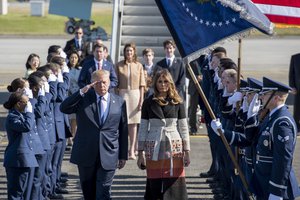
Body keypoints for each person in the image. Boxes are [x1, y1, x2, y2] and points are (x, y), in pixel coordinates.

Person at [60, 70, 128, 200]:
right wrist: (82, 91)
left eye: (104, 82)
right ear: (92, 84)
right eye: (97, 83)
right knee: (89, 193)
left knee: (103, 192)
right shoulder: (83, 99)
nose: (102, 85)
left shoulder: (119, 102)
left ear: (109, 83)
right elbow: (64, 107)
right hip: (86, 154)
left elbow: (123, 129)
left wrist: (123, 155)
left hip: (109, 154)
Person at [137, 69, 190, 200]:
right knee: (154, 180)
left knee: (174, 180)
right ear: (155, 83)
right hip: (153, 145)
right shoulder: (148, 102)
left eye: (165, 81)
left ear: (170, 83)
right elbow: (143, 128)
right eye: (159, 81)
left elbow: (183, 127)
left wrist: (187, 151)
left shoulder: (178, 102)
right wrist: (140, 153)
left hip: (174, 145)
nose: (162, 84)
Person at [3, 91, 38, 200]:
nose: (28, 105)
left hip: (24, 159)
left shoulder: (19, 115)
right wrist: (29, 113)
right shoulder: (12, 117)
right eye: (26, 103)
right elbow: (26, 127)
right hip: (17, 161)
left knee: (22, 192)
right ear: (18, 103)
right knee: (16, 194)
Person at [115, 43, 146, 160]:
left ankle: (132, 150)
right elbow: (115, 83)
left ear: (134, 52)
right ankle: (122, 150)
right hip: (122, 94)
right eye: (127, 51)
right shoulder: (118, 65)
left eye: (131, 51)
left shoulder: (138, 66)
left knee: (133, 124)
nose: (129, 53)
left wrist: (141, 100)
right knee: (123, 123)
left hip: (135, 94)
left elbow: (142, 84)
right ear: (124, 52)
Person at [67, 50, 82, 147]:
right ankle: (68, 138)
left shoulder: (80, 69)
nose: (73, 59)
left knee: (74, 118)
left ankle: (73, 137)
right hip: (67, 95)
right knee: (67, 118)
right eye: (72, 57)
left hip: (77, 95)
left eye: (75, 57)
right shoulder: (65, 69)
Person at [289, 53, 300, 131]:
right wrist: (292, 86)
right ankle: (296, 126)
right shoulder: (295, 57)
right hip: (298, 89)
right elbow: (291, 74)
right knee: (297, 108)